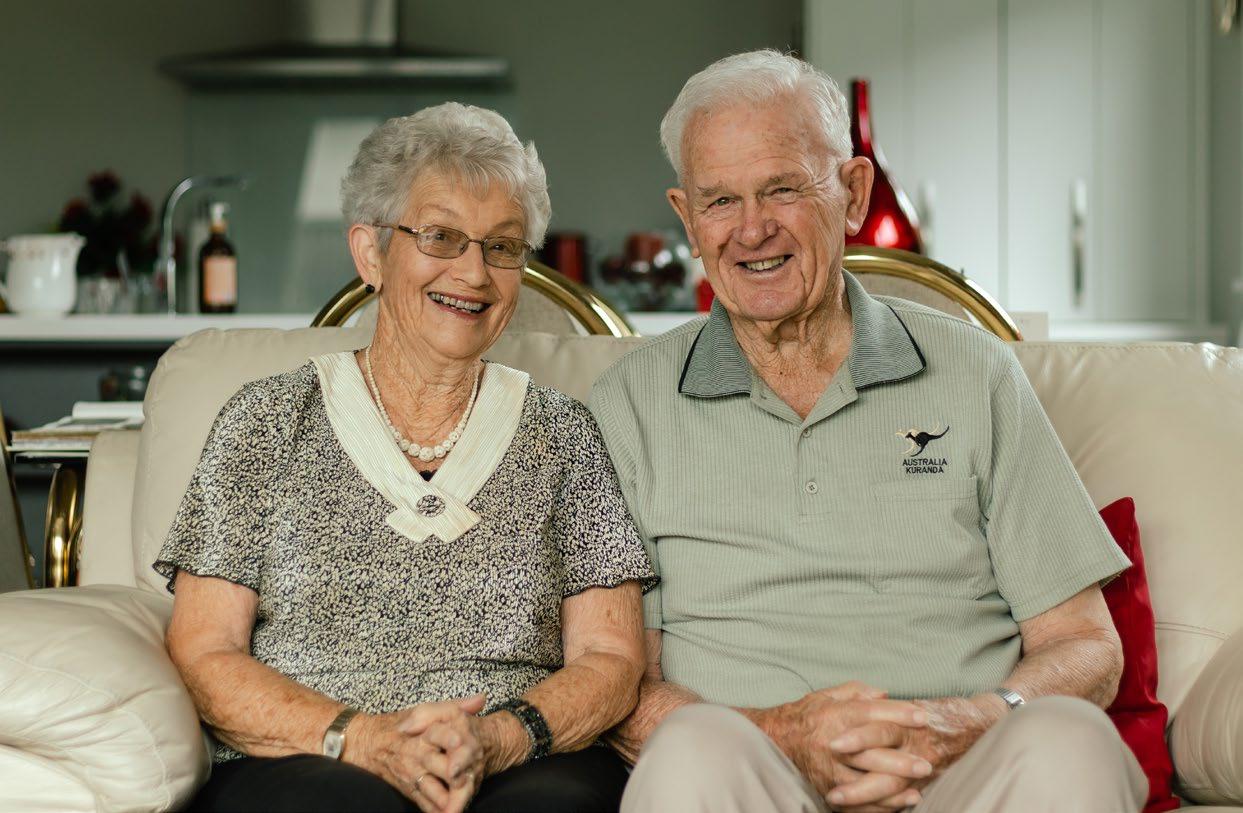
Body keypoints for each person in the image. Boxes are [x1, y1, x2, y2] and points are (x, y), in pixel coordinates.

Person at [588, 51, 1148, 813]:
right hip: (750, 772)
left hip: (961, 769)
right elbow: (623, 683)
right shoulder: (626, 404)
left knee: (1072, 741)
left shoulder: (974, 372)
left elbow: (1083, 644)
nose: (752, 229)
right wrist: (784, 734)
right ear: (687, 218)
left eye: (782, 188)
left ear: (851, 194)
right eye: (720, 200)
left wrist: (969, 721)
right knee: (688, 750)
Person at [155, 103, 656, 813]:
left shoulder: (564, 434)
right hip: (311, 755)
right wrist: (364, 738)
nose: (473, 273)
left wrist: (496, 737)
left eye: (502, 246)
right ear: (371, 254)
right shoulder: (265, 420)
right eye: (441, 237)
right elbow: (205, 651)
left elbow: (611, 658)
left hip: (522, 757)